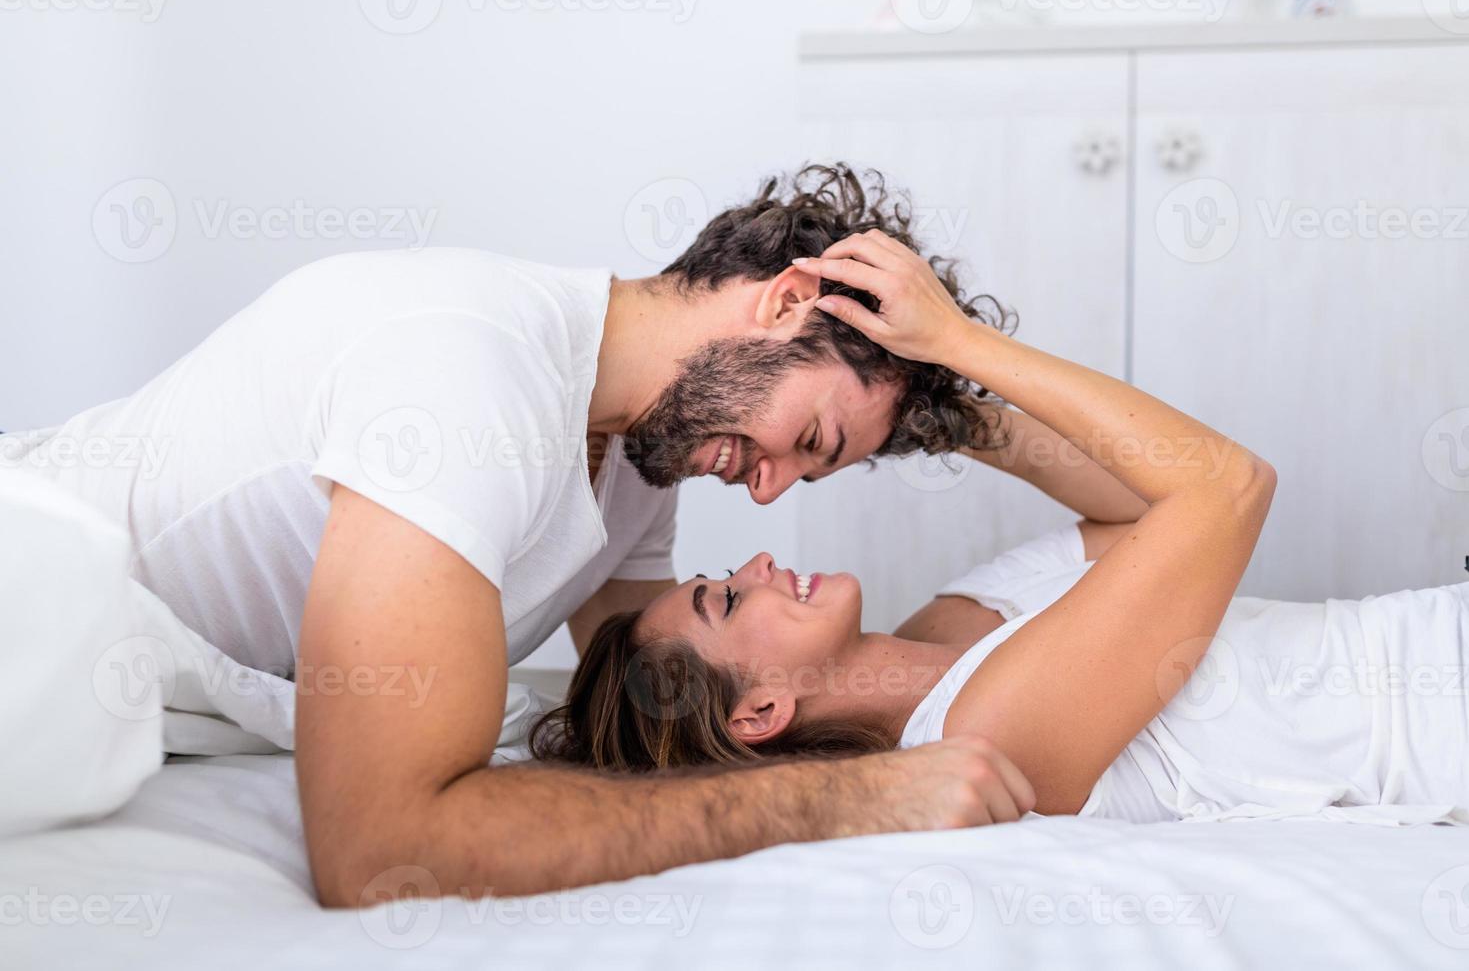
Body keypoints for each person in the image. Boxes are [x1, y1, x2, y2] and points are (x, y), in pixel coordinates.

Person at [7, 164, 1153, 902]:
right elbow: (380, 850)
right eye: (804, 438)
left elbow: (655, 723)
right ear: (787, 300)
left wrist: (952, 364)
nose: (764, 498)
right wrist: (856, 797)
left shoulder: (635, 460)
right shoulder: (465, 380)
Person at [534, 232, 1469, 824]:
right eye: (726, 597)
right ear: (760, 714)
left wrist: (936, 409)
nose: (760, 551)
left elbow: (1129, 512)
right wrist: (956, 343)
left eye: (825, 455)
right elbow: (1223, 488)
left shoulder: (951, 631)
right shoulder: (984, 735)